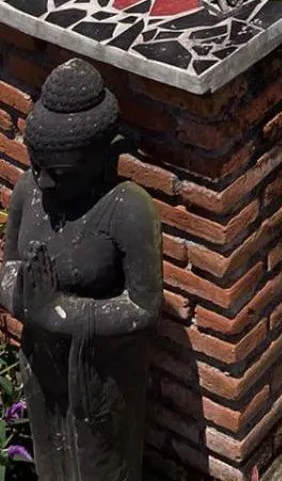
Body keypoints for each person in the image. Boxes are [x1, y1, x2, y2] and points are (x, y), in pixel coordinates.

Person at [0, 58, 162, 479]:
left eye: (61, 172)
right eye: (36, 166)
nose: (44, 182)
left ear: (107, 158)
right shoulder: (28, 193)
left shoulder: (127, 208)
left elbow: (144, 307)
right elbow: (8, 268)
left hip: (101, 375)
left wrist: (60, 312)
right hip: (42, 362)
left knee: (99, 466)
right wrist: (24, 298)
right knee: (51, 457)